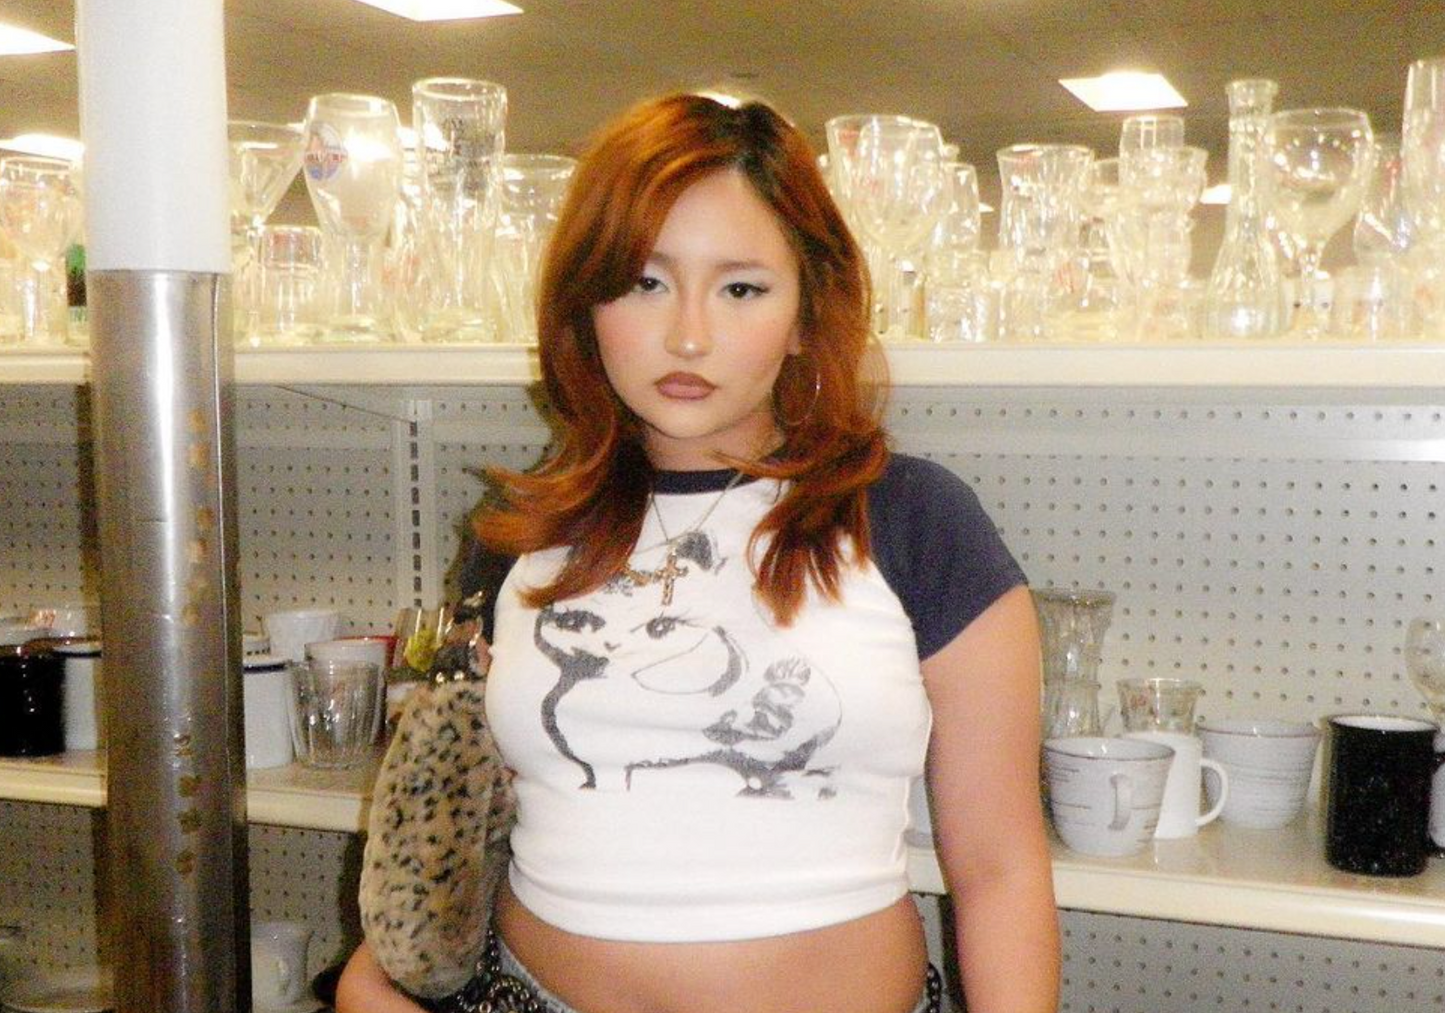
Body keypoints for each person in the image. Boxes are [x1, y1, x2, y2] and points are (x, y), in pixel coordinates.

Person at [337, 93, 1058, 1013]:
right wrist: (374, 982)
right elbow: (448, 827)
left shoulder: (912, 518)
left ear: (806, 313)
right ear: (586, 303)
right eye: (644, 281)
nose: (687, 334)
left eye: (740, 288)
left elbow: (998, 865)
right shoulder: (521, 532)